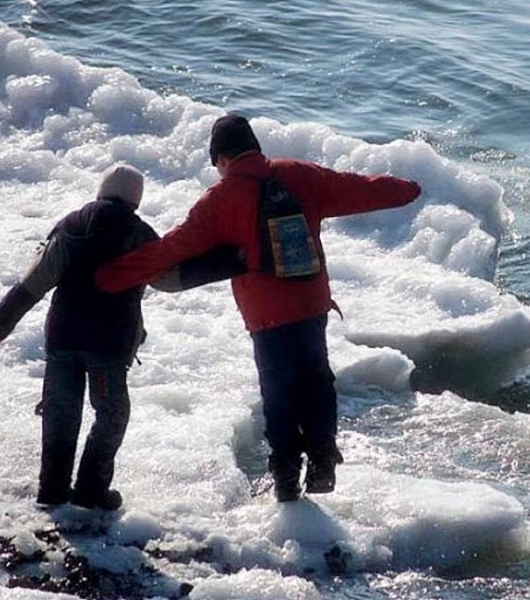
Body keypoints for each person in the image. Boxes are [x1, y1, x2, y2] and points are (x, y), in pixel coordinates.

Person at [95, 114, 422, 502]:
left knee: (278, 392)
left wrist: (110, 276)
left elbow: (171, 249)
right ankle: (323, 461)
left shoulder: (220, 199)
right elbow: (360, 188)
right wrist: (408, 189)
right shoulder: (299, 174)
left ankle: (285, 478)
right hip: (311, 304)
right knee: (317, 379)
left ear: (222, 159)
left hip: (267, 316)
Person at [0, 164, 159, 511]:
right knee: (111, 414)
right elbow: (171, 278)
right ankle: (91, 490)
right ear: (136, 199)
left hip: (63, 339)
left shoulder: (70, 227)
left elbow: (31, 285)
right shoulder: (140, 235)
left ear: (102, 190)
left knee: (60, 413)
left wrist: (2, 324)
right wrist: (228, 260)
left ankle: (51, 491)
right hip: (107, 346)